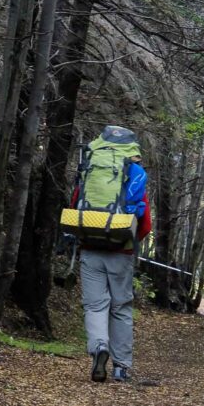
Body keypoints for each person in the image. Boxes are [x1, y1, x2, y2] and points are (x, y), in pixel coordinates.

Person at [70, 126, 151, 383]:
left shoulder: (92, 166)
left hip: (90, 247)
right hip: (121, 249)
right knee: (121, 307)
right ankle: (121, 367)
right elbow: (145, 223)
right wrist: (128, 238)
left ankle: (99, 347)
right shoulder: (134, 172)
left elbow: (75, 203)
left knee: (94, 305)